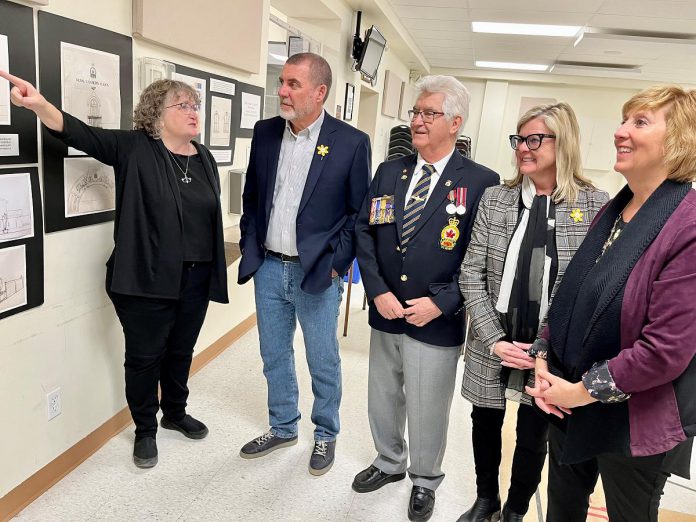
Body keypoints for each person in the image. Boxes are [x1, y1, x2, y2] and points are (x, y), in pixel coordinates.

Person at [0, 71, 229, 469]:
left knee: (180, 351)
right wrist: (38, 104)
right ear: (157, 113)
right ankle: (145, 430)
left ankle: (174, 412)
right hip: (145, 278)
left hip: (195, 276)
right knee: (144, 357)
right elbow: (78, 133)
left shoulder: (204, 157)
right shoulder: (134, 148)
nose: (194, 112)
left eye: (196, 106)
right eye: (184, 105)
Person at [526, 86, 696, 522]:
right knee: (562, 511)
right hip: (568, 397)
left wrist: (581, 392)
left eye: (639, 123)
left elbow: (665, 351)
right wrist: (543, 356)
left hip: (633, 418)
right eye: (624, 120)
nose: (620, 132)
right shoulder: (615, 208)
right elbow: (571, 293)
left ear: (680, 140)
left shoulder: (688, 224)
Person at [353, 75, 499, 522]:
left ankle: (424, 479)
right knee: (382, 396)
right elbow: (366, 230)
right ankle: (389, 461)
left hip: (436, 316)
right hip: (386, 311)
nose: (416, 120)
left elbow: (483, 255)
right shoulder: (389, 172)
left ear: (455, 123)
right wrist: (377, 290)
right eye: (415, 112)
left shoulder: (480, 182)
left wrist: (444, 301)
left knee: (428, 404)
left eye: (428, 113)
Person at [457, 102, 608, 522]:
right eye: (519, 139)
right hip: (494, 331)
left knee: (534, 428)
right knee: (484, 418)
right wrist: (494, 339)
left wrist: (543, 344)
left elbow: (583, 288)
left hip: (551, 340)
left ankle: (516, 510)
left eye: (535, 139)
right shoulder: (496, 199)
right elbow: (470, 272)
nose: (524, 148)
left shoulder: (595, 204)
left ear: (565, 142)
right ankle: (486, 498)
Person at [237, 52, 371, 476]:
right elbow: (252, 198)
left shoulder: (350, 142)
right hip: (269, 267)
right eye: (281, 82)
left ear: (319, 92)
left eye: (293, 84)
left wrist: (336, 266)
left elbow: (358, 213)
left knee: (322, 357)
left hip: (317, 271)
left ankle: (326, 432)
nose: (282, 91)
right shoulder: (265, 133)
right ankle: (283, 426)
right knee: (273, 354)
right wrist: (250, 248)